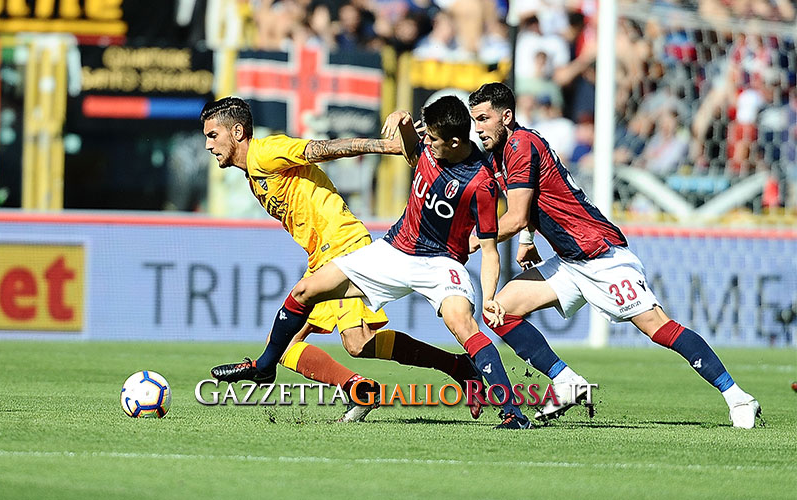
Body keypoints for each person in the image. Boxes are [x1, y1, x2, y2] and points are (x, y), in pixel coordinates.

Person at [212, 95, 531, 429]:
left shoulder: (479, 183)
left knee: (461, 325)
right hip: (391, 249)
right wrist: (404, 124)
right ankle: (361, 383)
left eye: (212, 135)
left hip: (403, 255)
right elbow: (412, 147)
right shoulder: (429, 149)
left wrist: (491, 295)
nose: (209, 145)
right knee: (350, 336)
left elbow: (491, 248)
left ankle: (509, 409)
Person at [467, 82, 761, 429]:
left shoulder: (520, 144)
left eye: (484, 118)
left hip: (600, 254)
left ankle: (737, 396)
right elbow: (530, 202)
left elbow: (514, 215)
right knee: (501, 312)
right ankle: (567, 382)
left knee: (658, 327)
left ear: (507, 116)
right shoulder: (506, 150)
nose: (478, 128)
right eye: (474, 120)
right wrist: (528, 239)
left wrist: (475, 239)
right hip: (571, 262)